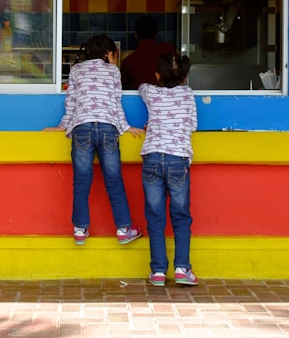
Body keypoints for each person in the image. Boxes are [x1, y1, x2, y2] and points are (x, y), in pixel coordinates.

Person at [45, 35, 144, 246]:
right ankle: (123, 229)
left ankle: (80, 230)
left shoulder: (76, 70)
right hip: (108, 128)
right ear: (108, 54)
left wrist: (62, 126)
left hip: (82, 127)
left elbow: (70, 102)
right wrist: (126, 127)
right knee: (114, 181)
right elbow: (116, 103)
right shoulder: (113, 71)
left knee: (81, 181)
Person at [138, 52, 199, 286]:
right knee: (181, 216)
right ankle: (182, 269)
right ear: (185, 77)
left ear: (157, 75)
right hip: (177, 159)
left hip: (152, 157)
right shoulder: (187, 94)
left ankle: (158, 272)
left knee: (155, 217)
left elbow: (142, 86)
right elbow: (192, 125)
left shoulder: (151, 92)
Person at [121, 15, 176, 90]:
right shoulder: (169, 49)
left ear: (136, 35)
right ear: (156, 34)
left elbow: (124, 89)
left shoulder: (128, 62)